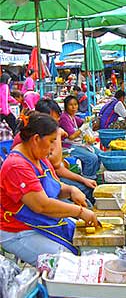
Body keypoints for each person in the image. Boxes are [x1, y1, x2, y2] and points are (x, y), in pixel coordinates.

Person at [0, 112, 98, 266]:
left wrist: (72, 190)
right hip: (18, 230)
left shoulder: (38, 157)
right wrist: (79, 212)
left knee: (79, 242)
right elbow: (41, 205)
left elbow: (55, 186)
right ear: (36, 139)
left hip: (40, 221)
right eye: (52, 141)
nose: (53, 147)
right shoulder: (16, 166)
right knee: (64, 262)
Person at [59, 95, 101, 180]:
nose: (74, 107)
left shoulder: (73, 117)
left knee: (100, 154)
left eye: (75, 104)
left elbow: (83, 122)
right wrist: (82, 129)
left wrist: (91, 121)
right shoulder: (64, 118)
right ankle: (88, 178)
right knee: (92, 158)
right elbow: (71, 136)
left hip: (76, 144)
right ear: (66, 106)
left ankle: (93, 174)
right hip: (68, 146)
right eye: (71, 105)